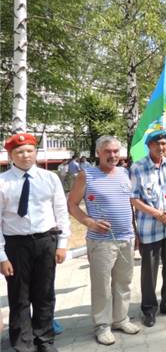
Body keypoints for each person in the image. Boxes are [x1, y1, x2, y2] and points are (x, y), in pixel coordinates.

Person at [0, 133, 70, 352]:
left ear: (35, 152)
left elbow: (61, 211)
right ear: (11, 155)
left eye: (29, 150)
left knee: (45, 293)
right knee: (19, 296)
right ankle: (24, 343)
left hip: (45, 241)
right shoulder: (2, 182)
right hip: (16, 245)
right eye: (20, 152)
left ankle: (44, 339)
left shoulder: (49, 178)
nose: (25, 155)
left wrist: (62, 243)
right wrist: (2, 257)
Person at [68, 136, 139, 345]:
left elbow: (130, 206)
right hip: (101, 241)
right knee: (102, 286)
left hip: (126, 238)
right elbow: (71, 204)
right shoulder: (86, 175)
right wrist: (89, 222)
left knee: (123, 282)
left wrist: (135, 233)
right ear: (98, 153)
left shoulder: (125, 173)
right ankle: (102, 325)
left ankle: (120, 319)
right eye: (108, 151)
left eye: (116, 151)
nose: (113, 155)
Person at [130, 129, 166, 327]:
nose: (161, 147)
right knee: (150, 271)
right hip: (150, 228)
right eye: (157, 144)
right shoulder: (138, 167)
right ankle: (148, 308)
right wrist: (157, 214)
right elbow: (134, 198)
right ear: (149, 146)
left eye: (164, 143)